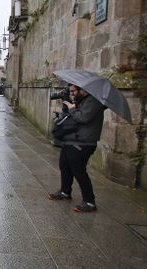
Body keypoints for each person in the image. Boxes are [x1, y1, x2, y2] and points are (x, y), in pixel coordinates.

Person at [48, 83, 106, 213]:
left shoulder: (94, 101)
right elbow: (75, 115)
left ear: (83, 90)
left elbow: (83, 117)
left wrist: (71, 107)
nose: (72, 93)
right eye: (71, 91)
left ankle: (90, 202)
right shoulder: (83, 100)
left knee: (79, 171)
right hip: (72, 139)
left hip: (83, 143)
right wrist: (66, 109)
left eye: (74, 91)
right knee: (64, 166)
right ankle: (65, 192)